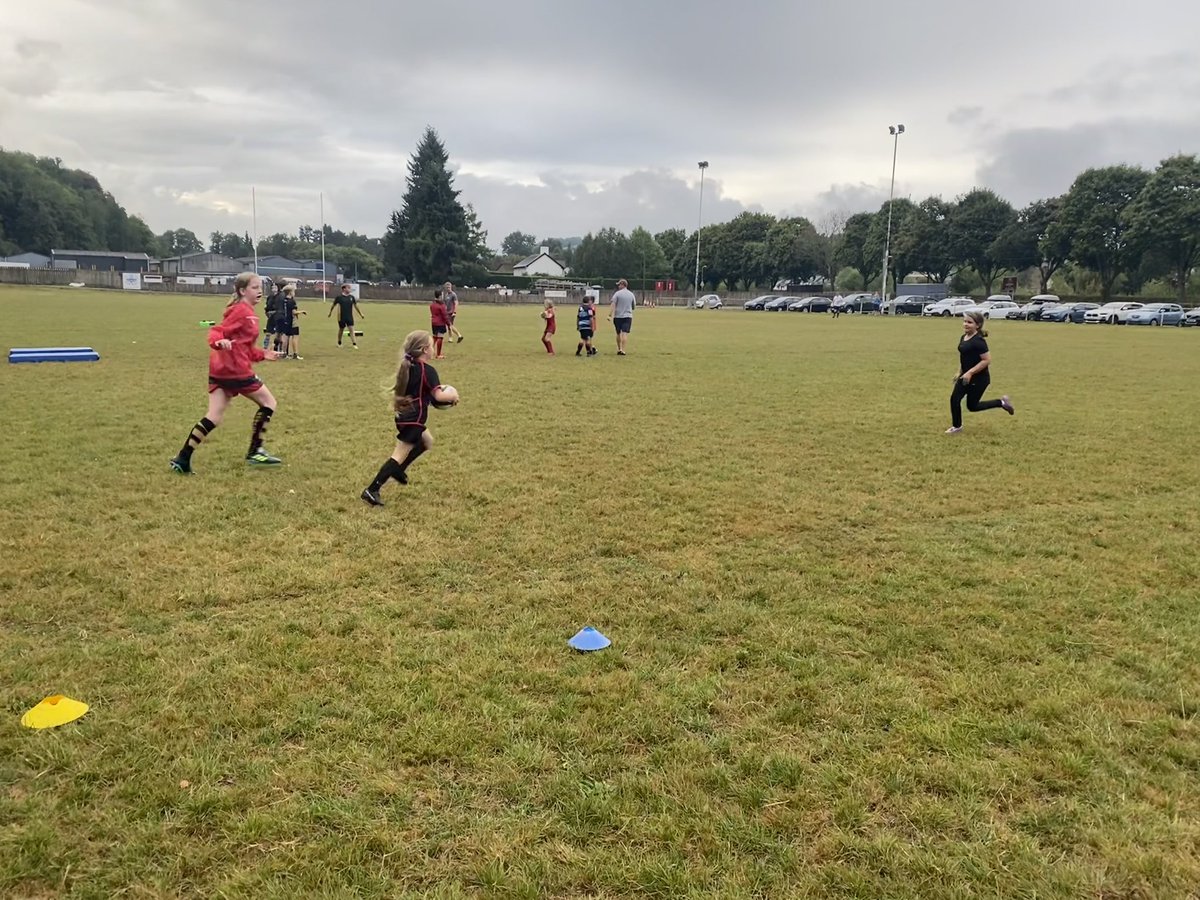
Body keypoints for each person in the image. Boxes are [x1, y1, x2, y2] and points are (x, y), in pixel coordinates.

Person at [170, 272, 283, 473]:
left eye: (260, 288)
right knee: (269, 403)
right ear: (242, 290)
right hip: (235, 371)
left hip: (220, 370)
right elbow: (217, 331)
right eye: (255, 288)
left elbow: (245, 349)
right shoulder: (241, 311)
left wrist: (265, 354)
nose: (260, 292)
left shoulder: (248, 312)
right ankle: (255, 451)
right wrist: (218, 342)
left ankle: (182, 458)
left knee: (214, 416)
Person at [361, 330, 459, 506]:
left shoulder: (408, 366)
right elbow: (438, 396)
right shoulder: (428, 371)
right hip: (414, 420)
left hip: (406, 418)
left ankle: (399, 470)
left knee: (427, 441)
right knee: (398, 455)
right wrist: (453, 397)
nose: (434, 348)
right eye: (432, 345)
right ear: (424, 349)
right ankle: (372, 489)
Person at [946, 311, 1015, 434]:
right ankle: (957, 427)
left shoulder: (979, 341)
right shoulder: (964, 337)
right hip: (965, 376)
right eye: (965, 321)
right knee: (954, 399)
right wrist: (960, 372)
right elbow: (965, 358)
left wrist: (970, 373)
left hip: (979, 379)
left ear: (977, 325)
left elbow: (986, 360)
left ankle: (1001, 403)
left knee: (972, 406)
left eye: (969, 322)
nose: (966, 324)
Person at [328, 283, 364, 349]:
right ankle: (339, 342)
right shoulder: (339, 298)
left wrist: (361, 314)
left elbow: (356, 306)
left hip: (349, 317)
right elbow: (333, 305)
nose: (349, 289)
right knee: (341, 330)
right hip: (341, 317)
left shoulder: (351, 297)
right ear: (344, 289)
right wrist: (330, 312)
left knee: (351, 330)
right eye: (348, 288)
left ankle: (354, 344)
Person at [607, 278, 636, 355]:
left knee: (618, 333)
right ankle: (623, 350)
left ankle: (619, 348)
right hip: (627, 316)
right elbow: (633, 306)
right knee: (625, 333)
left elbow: (613, 304)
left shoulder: (617, 294)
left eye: (619, 285)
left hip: (618, 316)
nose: (618, 286)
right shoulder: (631, 294)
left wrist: (610, 315)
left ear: (622, 285)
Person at [280, 284, 306, 359]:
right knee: (295, 337)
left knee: (285, 337)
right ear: (290, 292)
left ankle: (284, 353)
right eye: (293, 291)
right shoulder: (292, 301)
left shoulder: (283, 300)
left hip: (285, 320)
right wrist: (302, 312)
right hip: (292, 321)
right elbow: (294, 312)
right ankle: (295, 354)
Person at [429, 289, 451, 358]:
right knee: (440, 338)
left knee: (434, 337)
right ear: (440, 296)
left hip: (433, 323)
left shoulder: (432, 304)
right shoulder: (441, 305)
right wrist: (449, 324)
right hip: (440, 323)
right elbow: (445, 315)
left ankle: (429, 352)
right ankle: (438, 354)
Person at [263, 282, 281, 350]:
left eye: (275, 287)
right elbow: (267, 307)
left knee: (277, 334)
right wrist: (267, 313)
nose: (274, 289)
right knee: (268, 333)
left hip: (277, 317)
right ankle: (265, 348)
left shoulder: (280, 297)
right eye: (272, 287)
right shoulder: (269, 297)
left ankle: (277, 348)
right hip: (270, 317)